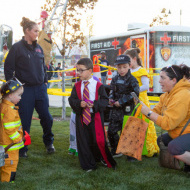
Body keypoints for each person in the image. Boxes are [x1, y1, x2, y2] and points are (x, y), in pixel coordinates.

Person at [4, 17, 55, 157]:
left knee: (47, 117)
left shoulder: (39, 48)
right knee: (24, 121)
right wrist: (13, 87)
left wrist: (45, 81)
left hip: (40, 89)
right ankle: (23, 149)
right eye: (35, 31)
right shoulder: (17, 48)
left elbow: (43, 67)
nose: (37, 33)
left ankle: (49, 142)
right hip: (25, 91)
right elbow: (8, 67)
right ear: (27, 31)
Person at [69, 58, 116, 172]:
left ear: (90, 71)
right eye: (77, 70)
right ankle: (88, 164)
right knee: (83, 141)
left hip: (95, 118)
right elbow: (71, 99)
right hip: (82, 118)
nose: (78, 73)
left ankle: (101, 157)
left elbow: (105, 101)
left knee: (97, 140)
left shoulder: (99, 85)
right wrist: (79, 103)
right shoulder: (77, 86)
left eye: (81, 70)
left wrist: (94, 105)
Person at [140, 64, 190, 172]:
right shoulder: (167, 95)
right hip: (182, 133)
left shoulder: (182, 95)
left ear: (173, 80)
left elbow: (168, 123)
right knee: (162, 140)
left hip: (187, 133)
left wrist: (148, 112)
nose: (159, 81)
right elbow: (155, 112)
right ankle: (187, 164)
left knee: (173, 147)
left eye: (163, 78)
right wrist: (141, 107)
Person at [124, 48, 159, 157]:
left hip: (141, 99)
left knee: (144, 122)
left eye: (128, 59)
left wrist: (134, 89)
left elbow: (146, 86)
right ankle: (134, 148)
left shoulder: (141, 71)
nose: (127, 62)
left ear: (134, 59)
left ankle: (148, 148)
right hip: (131, 100)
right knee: (133, 121)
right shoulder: (128, 71)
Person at [108, 55, 139, 158]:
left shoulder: (132, 80)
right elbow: (111, 90)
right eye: (119, 67)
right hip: (115, 110)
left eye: (124, 67)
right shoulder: (115, 78)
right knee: (111, 131)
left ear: (129, 66)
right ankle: (116, 150)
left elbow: (135, 94)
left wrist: (121, 101)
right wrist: (111, 99)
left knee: (128, 132)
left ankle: (130, 154)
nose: (121, 70)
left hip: (127, 109)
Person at [68, 75, 100, 156]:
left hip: (88, 113)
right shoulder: (78, 84)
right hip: (76, 113)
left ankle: (82, 149)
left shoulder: (95, 82)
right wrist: (78, 103)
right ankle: (73, 147)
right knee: (73, 132)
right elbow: (72, 98)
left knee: (84, 133)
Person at [0, 78, 25, 182]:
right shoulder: (9, 110)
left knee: (3, 163)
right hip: (10, 144)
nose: (20, 98)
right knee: (10, 163)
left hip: (5, 142)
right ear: (10, 95)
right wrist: (17, 138)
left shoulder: (4, 106)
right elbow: (9, 128)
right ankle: (8, 182)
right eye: (19, 95)